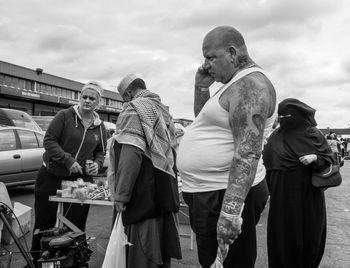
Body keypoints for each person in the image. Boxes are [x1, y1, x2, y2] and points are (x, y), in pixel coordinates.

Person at [177, 26, 277, 268]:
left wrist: (231, 213)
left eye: (211, 56)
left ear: (232, 53)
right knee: (211, 262)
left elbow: (248, 152)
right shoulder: (232, 84)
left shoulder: (250, 86)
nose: (205, 64)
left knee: (231, 263)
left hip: (223, 192)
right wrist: (201, 87)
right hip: (211, 191)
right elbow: (206, 123)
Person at [30, 81, 107, 266]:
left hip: (79, 180)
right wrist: (68, 159)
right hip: (51, 175)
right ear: (80, 98)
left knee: (75, 223)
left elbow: (100, 152)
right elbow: (48, 141)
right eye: (84, 97)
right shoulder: (64, 116)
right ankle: (38, 259)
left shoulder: (100, 126)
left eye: (92, 98)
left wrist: (97, 164)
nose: (87, 101)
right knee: (45, 221)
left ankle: (75, 260)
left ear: (99, 102)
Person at [108, 74, 182, 268]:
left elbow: (130, 155)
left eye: (124, 97)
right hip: (165, 191)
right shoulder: (162, 110)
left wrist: (121, 195)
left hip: (144, 196)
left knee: (142, 256)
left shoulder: (133, 109)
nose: (124, 102)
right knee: (161, 254)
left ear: (130, 92)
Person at [263, 98, 334, 268]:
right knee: (283, 234)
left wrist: (315, 158)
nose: (282, 119)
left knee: (309, 233)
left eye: (286, 115)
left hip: (309, 194)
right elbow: (267, 162)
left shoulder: (313, 134)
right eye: (280, 116)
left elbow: (330, 159)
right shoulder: (276, 135)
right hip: (282, 195)